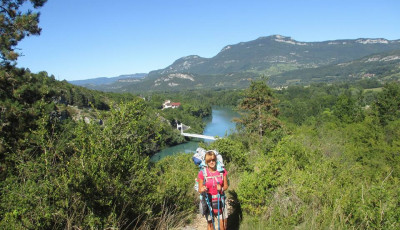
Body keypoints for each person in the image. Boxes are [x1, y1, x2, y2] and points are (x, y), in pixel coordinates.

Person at [198, 151, 229, 230]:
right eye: (209, 161)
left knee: (223, 226)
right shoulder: (202, 173)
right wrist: (202, 189)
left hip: (220, 200)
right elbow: (200, 189)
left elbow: (226, 186)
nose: (211, 162)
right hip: (209, 201)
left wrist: (221, 188)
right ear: (206, 162)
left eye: (213, 160)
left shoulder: (222, 171)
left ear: (216, 160)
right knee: (210, 225)